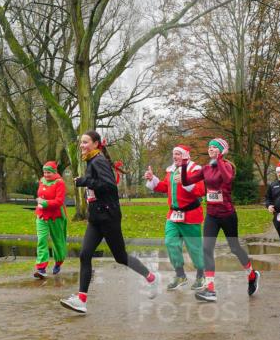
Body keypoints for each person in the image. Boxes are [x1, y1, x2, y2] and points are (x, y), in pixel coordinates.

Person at [60, 131, 159, 314]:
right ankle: (81, 299)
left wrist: (85, 181)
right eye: (81, 142)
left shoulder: (98, 161)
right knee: (85, 254)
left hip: (108, 217)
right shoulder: (91, 160)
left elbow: (110, 185)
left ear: (96, 144)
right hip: (96, 217)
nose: (82, 145)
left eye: (86, 142)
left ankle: (151, 277)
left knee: (121, 257)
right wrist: (87, 183)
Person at [179, 137, 261, 302]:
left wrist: (220, 159)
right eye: (209, 147)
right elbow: (186, 180)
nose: (210, 149)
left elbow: (228, 179)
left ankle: (252, 275)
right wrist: (183, 165)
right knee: (206, 249)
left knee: (235, 247)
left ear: (222, 150)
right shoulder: (206, 168)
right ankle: (210, 289)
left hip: (227, 214)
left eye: (214, 147)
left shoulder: (227, 166)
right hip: (212, 215)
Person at [145, 145, 207, 291]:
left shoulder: (195, 170)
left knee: (194, 248)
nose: (175, 156)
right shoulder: (171, 171)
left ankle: (201, 276)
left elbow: (201, 191)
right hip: (173, 215)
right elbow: (164, 187)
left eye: (178, 154)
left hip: (191, 214)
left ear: (186, 156)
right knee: (170, 242)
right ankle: (180, 275)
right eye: (174, 154)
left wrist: (186, 182)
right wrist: (152, 179)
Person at [33, 161, 68, 279]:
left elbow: (59, 201)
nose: (46, 175)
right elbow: (40, 194)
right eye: (44, 172)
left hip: (55, 216)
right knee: (41, 239)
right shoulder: (42, 180)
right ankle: (41, 268)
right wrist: (39, 200)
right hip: (41, 214)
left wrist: (45, 203)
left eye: (48, 172)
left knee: (57, 241)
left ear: (54, 172)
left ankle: (58, 262)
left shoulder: (60, 183)